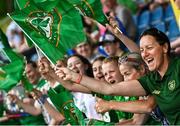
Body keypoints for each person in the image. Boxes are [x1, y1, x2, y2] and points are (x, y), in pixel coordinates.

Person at [56, 28, 180, 124]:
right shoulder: (151, 80)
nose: (145, 54)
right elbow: (109, 89)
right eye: (142, 50)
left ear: (164, 47)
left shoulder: (177, 67)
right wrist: (72, 75)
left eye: (149, 48)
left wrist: (110, 104)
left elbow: (146, 108)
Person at [95, 52, 167, 125]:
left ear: (141, 69)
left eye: (127, 74)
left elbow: (148, 106)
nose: (125, 80)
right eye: (123, 75)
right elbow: (135, 121)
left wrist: (110, 104)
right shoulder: (140, 92)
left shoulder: (155, 81)